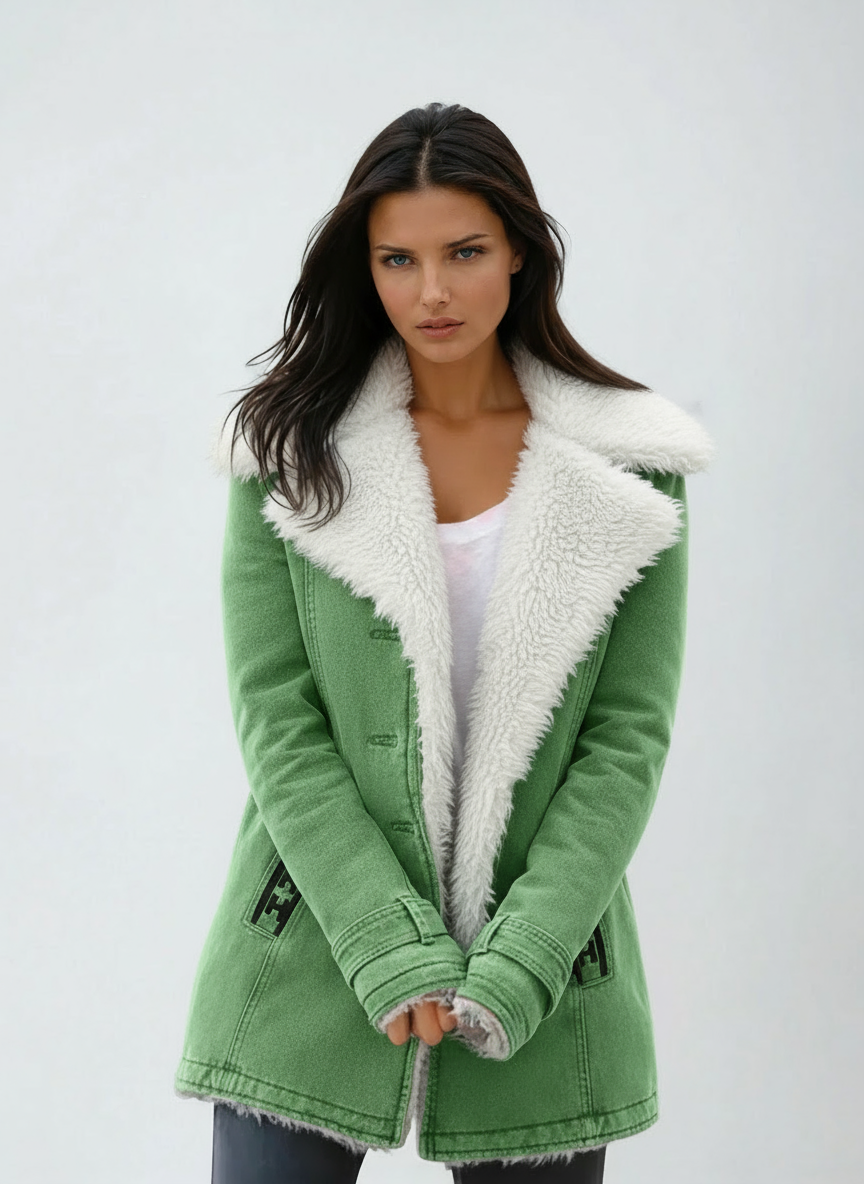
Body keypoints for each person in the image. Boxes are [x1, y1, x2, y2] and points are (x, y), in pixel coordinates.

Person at [174, 101, 714, 1182]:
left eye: (464, 252)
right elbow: (277, 718)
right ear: (364, 268)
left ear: (520, 251)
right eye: (398, 259)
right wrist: (382, 935)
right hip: (311, 934)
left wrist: (528, 953)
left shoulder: (631, 469)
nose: (432, 290)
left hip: (550, 964)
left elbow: (626, 739)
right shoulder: (289, 453)